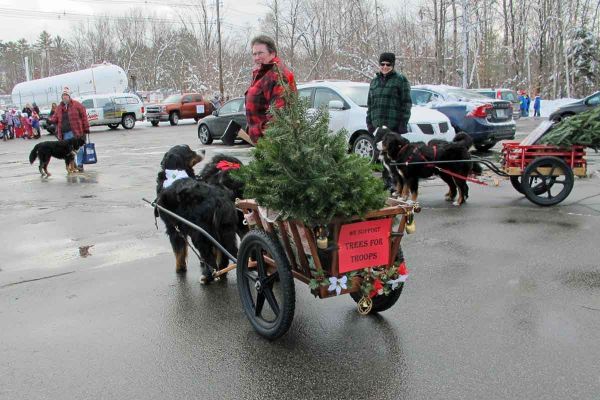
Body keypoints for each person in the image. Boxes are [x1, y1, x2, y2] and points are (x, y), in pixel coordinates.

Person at [243, 34, 297, 144]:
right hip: (264, 144)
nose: (257, 57)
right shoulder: (262, 74)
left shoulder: (276, 75)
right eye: (254, 54)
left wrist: (262, 135)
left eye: (260, 53)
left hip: (272, 145)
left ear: (272, 53)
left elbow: (280, 115)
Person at [367, 52, 412, 141]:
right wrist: (369, 123)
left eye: (388, 64)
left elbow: (406, 103)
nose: (385, 67)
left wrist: (402, 124)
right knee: (377, 153)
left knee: (392, 154)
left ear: (393, 65)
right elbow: (370, 104)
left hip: (393, 127)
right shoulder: (374, 82)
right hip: (377, 128)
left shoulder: (401, 80)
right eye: (382, 64)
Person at [50, 88, 90, 171]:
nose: (64, 97)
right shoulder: (59, 108)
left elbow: (84, 117)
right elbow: (54, 118)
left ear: (69, 96)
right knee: (68, 151)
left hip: (76, 132)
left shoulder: (77, 105)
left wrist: (86, 128)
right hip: (65, 133)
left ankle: (80, 164)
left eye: (66, 95)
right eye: (63, 96)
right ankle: (73, 165)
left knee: (79, 149)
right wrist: (49, 121)